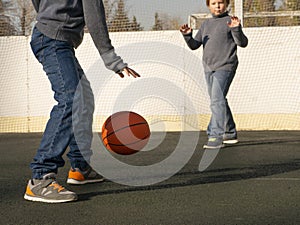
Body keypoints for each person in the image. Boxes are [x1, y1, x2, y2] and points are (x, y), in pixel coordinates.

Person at [24, 0, 140, 203]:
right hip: (53, 39)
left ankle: (80, 167)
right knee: (71, 99)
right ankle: (40, 177)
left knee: (84, 98)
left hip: (51, 36)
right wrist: (111, 59)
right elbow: (94, 16)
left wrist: (48, 16)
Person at [180, 0, 248, 149]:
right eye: (214, 3)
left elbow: (242, 43)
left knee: (217, 100)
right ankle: (229, 133)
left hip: (226, 66)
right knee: (219, 99)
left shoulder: (230, 21)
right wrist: (187, 36)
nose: (217, 6)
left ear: (227, 4)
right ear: (208, 6)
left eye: (221, 3)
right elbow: (194, 45)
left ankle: (215, 135)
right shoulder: (206, 25)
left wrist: (237, 29)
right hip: (208, 68)